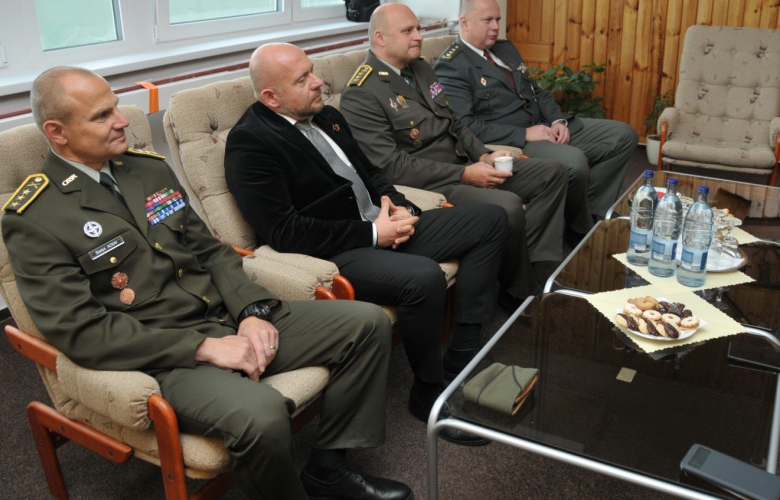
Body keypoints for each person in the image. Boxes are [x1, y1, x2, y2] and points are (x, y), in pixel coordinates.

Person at [1, 66, 413, 500]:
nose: (122, 120)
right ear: (57, 132)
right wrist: (203, 347)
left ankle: (329, 468)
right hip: (164, 354)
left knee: (366, 324)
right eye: (102, 116)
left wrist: (251, 312)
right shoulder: (35, 217)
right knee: (262, 414)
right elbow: (80, 331)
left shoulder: (146, 170)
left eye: (116, 107)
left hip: (222, 314)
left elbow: (211, 251)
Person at [224, 43, 507, 446]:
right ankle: (428, 393)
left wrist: (399, 206)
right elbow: (284, 231)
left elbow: (371, 173)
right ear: (271, 97)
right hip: (338, 252)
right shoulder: (250, 143)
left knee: (490, 219)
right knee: (424, 276)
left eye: (313, 71)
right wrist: (374, 234)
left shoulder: (327, 115)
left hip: (382, 225)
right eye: (303, 79)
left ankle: (463, 350)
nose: (318, 82)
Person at [338, 2, 570, 298]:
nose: (419, 36)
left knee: (552, 173)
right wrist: (464, 174)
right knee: (509, 205)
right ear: (380, 38)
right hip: (434, 182)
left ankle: (536, 264)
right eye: (408, 31)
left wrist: (483, 154)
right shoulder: (362, 92)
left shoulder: (420, 68)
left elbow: (454, 121)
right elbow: (391, 167)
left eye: (418, 29)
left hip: (465, 163)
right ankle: (519, 293)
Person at [433, 0, 638, 221]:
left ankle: (594, 212)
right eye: (488, 20)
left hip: (545, 126)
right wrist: (525, 134)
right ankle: (582, 225)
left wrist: (557, 120)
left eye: (498, 20)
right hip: (514, 140)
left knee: (623, 135)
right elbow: (466, 125)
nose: (495, 26)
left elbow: (536, 91)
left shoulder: (505, 49)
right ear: (464, 23)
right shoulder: (452, 65)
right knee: (575, 162)